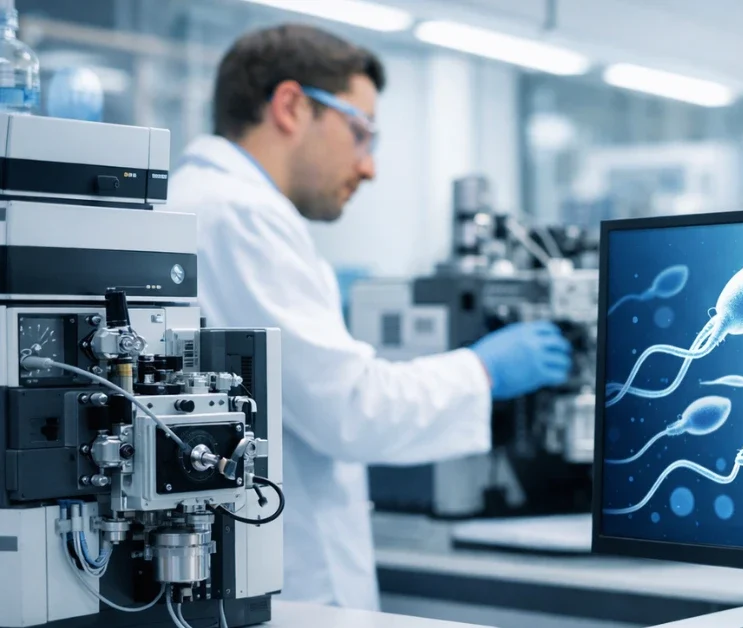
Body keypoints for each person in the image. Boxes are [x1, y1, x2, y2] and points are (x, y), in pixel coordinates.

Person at [165, 24, 573, 611]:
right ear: (292, 106)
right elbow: (351, 409)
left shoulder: (207, 205)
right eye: (361, 133)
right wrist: (483, 371)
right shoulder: (239, 217)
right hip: (288, 579)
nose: (370, 166)